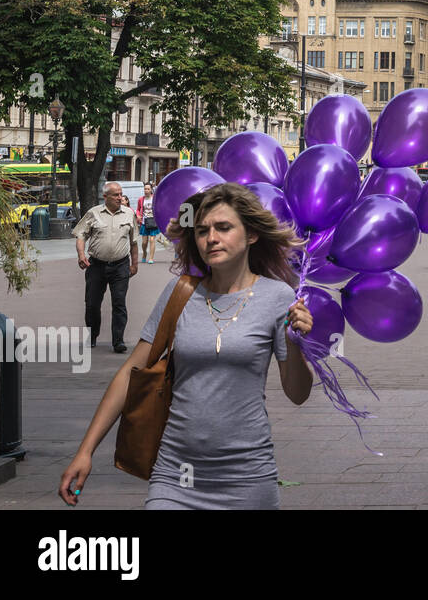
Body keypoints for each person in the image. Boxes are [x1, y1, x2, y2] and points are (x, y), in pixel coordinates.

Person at [59, 182, 313, 509]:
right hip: (175, 476)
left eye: (223, 228)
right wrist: (85, 451)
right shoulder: (180, 293)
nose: (211, 238)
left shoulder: (277, 298)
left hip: (248, 478)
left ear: (251, 234)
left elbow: (298, 393)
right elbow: (130, 373)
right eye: (203, 230)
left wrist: (294, 343)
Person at [73, 181, 139, 353]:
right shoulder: (93, 213)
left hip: (120, 266)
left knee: (119, 303)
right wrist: (81, 255)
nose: (120, 198)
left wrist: (135, 264)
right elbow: (81, 236)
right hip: (96, 266)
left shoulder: (128, 214)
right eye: (116, 195)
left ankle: (118, 341)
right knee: (92, 304)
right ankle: (92, 335)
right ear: (105, 197)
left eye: (120, 194)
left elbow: (133, 242)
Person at [137, 182, 159, 264]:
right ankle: (144, 253)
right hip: (144, 223)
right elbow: (138, 209)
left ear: (151, 190)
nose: (146, 190)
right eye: (145, 189)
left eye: (148, 189)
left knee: (152, 240)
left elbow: (159, 209)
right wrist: (138, 215)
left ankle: (151, 258)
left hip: (153, 221)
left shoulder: (155, 199)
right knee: (144, 242)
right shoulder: (141, 199)